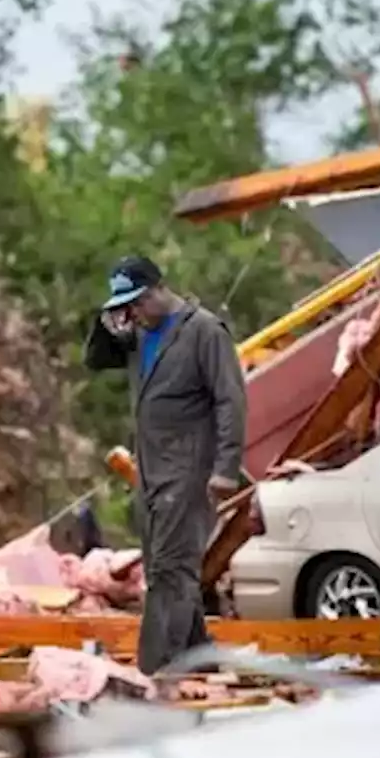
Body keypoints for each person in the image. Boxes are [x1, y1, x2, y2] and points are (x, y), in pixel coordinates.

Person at [83, 255, 247, 675]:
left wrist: (226, 467)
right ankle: (199, 654)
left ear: (159, 289)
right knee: (162, 564)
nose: (132, 312)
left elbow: (231, 400)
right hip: (151, 469)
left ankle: (158, 667)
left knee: (171, 569)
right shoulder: (138, 334)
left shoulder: (204, 332)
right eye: (124, 306)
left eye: (136, 302)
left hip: (190, 469)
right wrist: (108, 327)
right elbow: (96, 361)